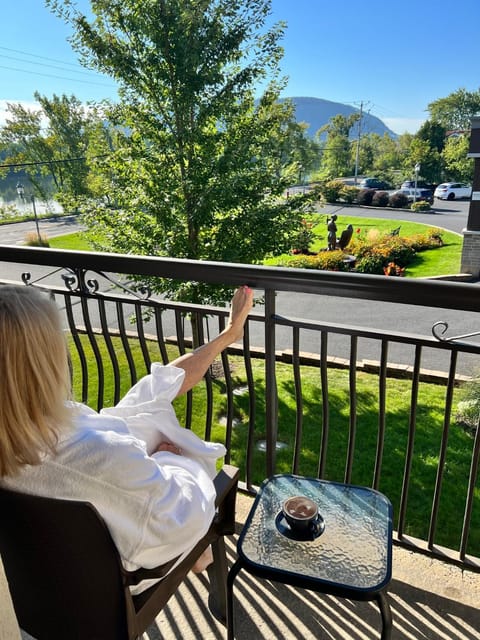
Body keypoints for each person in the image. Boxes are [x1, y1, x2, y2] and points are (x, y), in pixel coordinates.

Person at [0, 284, 253, 593]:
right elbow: (184, 517)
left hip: (39, 585)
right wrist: (171, 458)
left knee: (143, 405)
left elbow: (123, 421)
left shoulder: (36, 435)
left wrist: (227, 334)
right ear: (45, 366)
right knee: (195, 468)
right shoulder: (101, 457)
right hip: (111, 589)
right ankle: (200, 556)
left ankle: (228, 336)